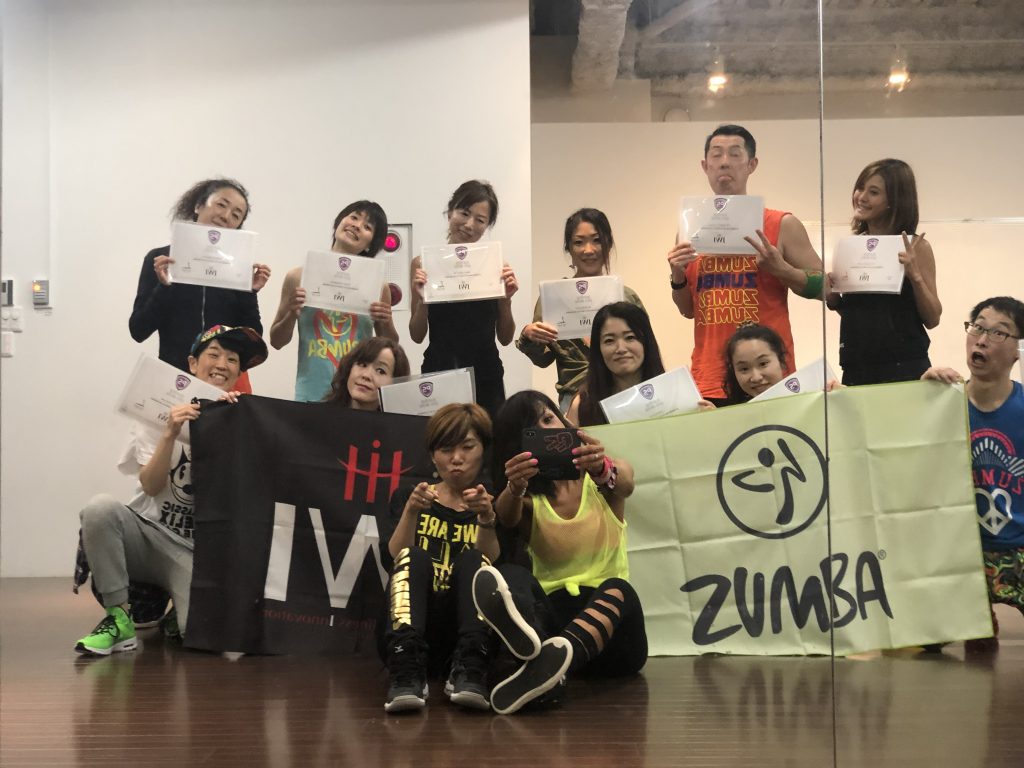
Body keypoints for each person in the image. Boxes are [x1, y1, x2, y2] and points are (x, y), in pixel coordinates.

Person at [75, 325, 268, 655]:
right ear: (193, 363)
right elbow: (151, 487)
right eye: (214, 354)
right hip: (148, 535)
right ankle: (118, 620)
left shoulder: (243, 423)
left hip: (195, 552)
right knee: (99, 509)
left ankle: (177, 615)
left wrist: (232, 431)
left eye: (232, 359)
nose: (222, 364)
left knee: (203, 636)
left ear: (238, 373)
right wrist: (170, 432)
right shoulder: (159, 411)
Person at [475, 390, 647, 715]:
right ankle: (545, 669)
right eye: (532, 429)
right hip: (554, 620)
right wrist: (514, 486)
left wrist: (602, 468)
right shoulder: (529, 501)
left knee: (620, 589)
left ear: (564, 420)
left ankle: (547, 666)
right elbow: (506, 516)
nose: (546, 430)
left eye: (548, 418)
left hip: (615, 641)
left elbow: (625, 484)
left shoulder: (602, 482)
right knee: (511, 575)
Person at [666, 124, 823, 405]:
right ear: (705, 166)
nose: (724, 162)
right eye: (716, 155)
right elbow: (689, 310)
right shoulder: (690, 230)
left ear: (752, 164)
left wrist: (782, 270)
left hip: (768, 377)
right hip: (710, 379)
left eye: (735, 154)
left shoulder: (781, 224)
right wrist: (677, 275)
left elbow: (827, 287)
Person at [376, 403, 514, 713]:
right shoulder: (410, 496)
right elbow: (394, 560)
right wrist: (412, 511)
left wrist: (486, 517)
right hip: (412, 627)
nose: (457, 458)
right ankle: (405, 669)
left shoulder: (495, 504)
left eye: (467, 447)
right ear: (432, 455)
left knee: (474, 561)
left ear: (483, 450)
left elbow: (493, 563)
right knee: (413, 556)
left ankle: (471, 667)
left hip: (469, 632)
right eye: (446, 449)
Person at [921, 296, 1024, 652]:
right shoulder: (941, 401)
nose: (981, 339)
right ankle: (977, 616)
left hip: (1019, 549)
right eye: (977, 327)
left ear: (1017, 351)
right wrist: (919, 397)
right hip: (959, 551)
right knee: (924, 640)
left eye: (998, 332)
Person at [129, 178, 271, 392]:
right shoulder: (161, 260)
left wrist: (250, 292)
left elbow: (253, 338)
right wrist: (164, 287)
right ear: (198, 205)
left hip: (223, 386)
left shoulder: (238, 269)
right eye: (221, 205)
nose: (226, 216)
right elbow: (138, 330)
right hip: (174, 382)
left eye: (236, 215)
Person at [516, 209, 646, 413]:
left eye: (597, 240)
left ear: (609, 244)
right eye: (579, 242)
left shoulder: (626, 297)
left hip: (626, 394)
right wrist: (529, 336)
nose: (588, 250)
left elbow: (647, 351)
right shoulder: (553, 298)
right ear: (568, 248)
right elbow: (542, 360)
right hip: (575, 399)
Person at [409, 180, 519, 418]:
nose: (469, 225)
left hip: (486, 374)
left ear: (487, 226)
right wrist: (423, 301)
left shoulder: (495, 266)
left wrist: (506, 300)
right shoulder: (423, 264)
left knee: (488, 439)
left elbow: (506, 338)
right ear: (450, 211)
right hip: (439, 372)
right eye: (464, 213)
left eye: (480, 220)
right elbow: (416, 335)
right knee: (443, 438)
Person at [269, 201, 399, 402]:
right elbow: (276, 341)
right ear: (339, 222)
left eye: (367, 227)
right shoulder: (298, 276)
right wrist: (292, 313)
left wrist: (386, 320)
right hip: (310, 393)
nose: (357, 225)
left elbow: (391, 347)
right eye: (354, 217)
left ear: (371, 244)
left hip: (355, 395)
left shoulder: (377, 286)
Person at [827, 159, 941, 384]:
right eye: (860, 188)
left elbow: (933, 318)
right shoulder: (851, 246)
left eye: (874, 192)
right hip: (856, 364)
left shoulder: (916, 246)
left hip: (904, 365)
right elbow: (865, 314)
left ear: (895, 201)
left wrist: (915, 277)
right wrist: (833, 299)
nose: (861, 197)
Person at [567, 302, 666, 427]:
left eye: (630, 337)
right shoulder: (582, 406)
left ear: (646, 342)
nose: (621, 349)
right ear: (598, 349)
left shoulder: (672, 393)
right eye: (609, 340)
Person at [723, 323, 839, 404]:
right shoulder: (733, 417)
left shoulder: (812, 397)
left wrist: (842, 397)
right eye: (744, 369)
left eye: (763, 364)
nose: (756, 377)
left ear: (781, 361)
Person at [323, 336, 410, 410]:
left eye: (380, 371)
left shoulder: (399, 424)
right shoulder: (321, 416)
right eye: (362, 364)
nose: (366, 375)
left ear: (395, 383)